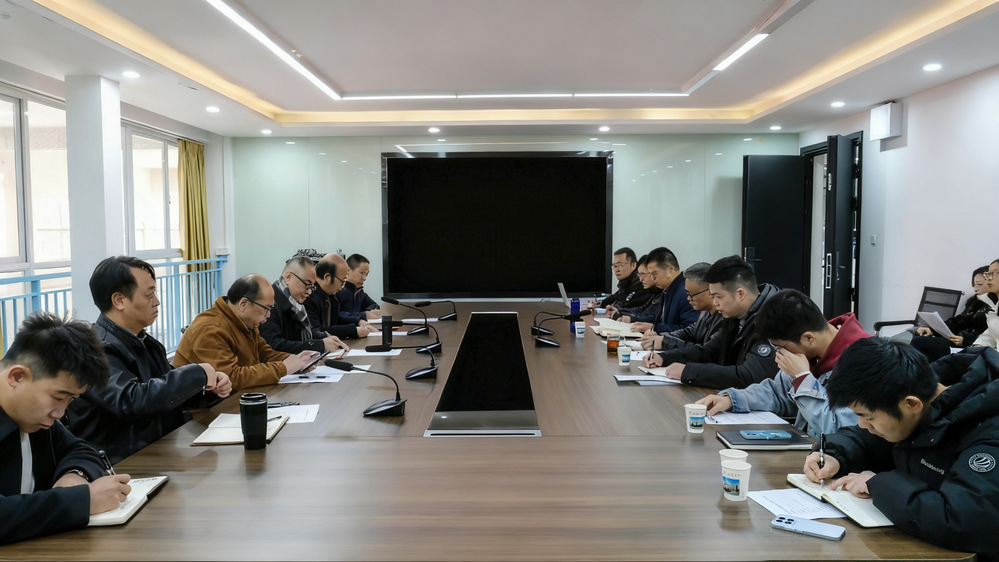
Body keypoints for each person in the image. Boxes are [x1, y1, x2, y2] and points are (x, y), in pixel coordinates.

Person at [804, 339, 999, 558]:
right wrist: (834, 454)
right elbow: (864, 439)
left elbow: (967, 522)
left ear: (912, 404)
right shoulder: (913, 396)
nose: (863, 425)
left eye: (868, 417)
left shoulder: (988, 430)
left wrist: (877, 484)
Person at [66, 257, 232, 463]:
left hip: (161, 452)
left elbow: (164, 396)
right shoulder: (94, 350)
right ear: (119, 300)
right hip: (124, 464)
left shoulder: (145, 342)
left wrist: (208, 388)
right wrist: (197, 373)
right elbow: (132, 400)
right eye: (149, 294)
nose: (157, 301)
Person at [1, 313, 132, 544]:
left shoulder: (35, 419)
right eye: (58, 397)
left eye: (70, 400)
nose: (60, 413)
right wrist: (82, 501)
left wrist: (73, 476)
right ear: (17, 376)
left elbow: (81, 450)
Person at [696, 289, 865, 438]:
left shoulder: (862, 361)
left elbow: (840, 429)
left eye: (780, 347)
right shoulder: (808, 352)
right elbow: (778, 393)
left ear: (808, 338)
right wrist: (732, 400)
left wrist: (803, 379)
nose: (779, 354)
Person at [643, 255, 779, 389]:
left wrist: (689, 372)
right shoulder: (735, 314)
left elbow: (748, 377)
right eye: (712, 297)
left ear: (740, 294)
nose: (715, 303)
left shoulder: (773, 320)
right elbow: (710, 351)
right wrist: (664, 357)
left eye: (718, 297)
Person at [174, 274, 318, 391]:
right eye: (266, 309)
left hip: (237, 397)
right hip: (205, 409)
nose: (268, 315)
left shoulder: (245, 322)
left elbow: (265, 354)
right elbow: (231, 377)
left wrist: (298, 361)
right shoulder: (209, 329)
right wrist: (283, 368)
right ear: (243, 304)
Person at [260, 256, 350, 354]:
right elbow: (274, 346)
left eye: (312, 287)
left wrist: (325, 337)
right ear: (288, 278)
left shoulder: (295, 305)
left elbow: (300, 336)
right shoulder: (270, 306)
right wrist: (320, 345)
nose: (309, 292)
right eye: (307, 285)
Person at [910, 264, 997, 362]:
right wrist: (932, 329)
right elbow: (959, 322)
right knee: (919, 337)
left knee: (920, 343)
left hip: (972, 349)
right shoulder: (976, 303)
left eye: (979, 284)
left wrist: (966, 340)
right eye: (974, 285)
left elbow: (992, 338)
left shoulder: (994, 307)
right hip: (960, 343)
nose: (975, 288)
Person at [641, 261, 722, 351]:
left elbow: (706, 352)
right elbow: (689, 332)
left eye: (691, 294)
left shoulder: (724, 319)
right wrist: (662, 337)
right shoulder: (706, 312)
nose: (688, 298)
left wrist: (665, 342)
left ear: (710, 290)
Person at [623, 246, 699, 335]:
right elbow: (658, 318)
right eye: (650, 274)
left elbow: (689, 330)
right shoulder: (667, 289)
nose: (652, 278)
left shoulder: (686, 291)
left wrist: (654, 328)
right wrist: (634, 320)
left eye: (654, 274)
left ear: (670, 269)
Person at [305, 253, 374, 340]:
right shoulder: (308, 297)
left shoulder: (331, 295)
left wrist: (358, 321)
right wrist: (353, 330)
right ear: (327, 277)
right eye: (342, 281)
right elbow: (316, 332)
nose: (342, 287)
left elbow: (337, 319)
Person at [591, 247, 652, 317]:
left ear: (633, 265)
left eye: (620, 265)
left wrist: (615, 309)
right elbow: (616, 297)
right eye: (614, 266)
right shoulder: (625, 284)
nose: (617, 270)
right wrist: (600, 303)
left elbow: (627, 304)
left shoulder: (641, 284)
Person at [610, 255, 661, 322]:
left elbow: (652, 317)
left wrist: (629, 318)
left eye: (643, 274)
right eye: (639, 275)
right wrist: (619, 312)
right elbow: (643, 310)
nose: (641, 279)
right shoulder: (654, 292)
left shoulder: (661, 293)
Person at [336, 254, 383, 322]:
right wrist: (364, 315)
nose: (364, 278)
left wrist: (371, 312)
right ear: (348, 270)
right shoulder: (337, 290)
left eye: (366, 274)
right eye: (362, 273)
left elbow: (374, 305)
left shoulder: (359, 292)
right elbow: (336, 315)